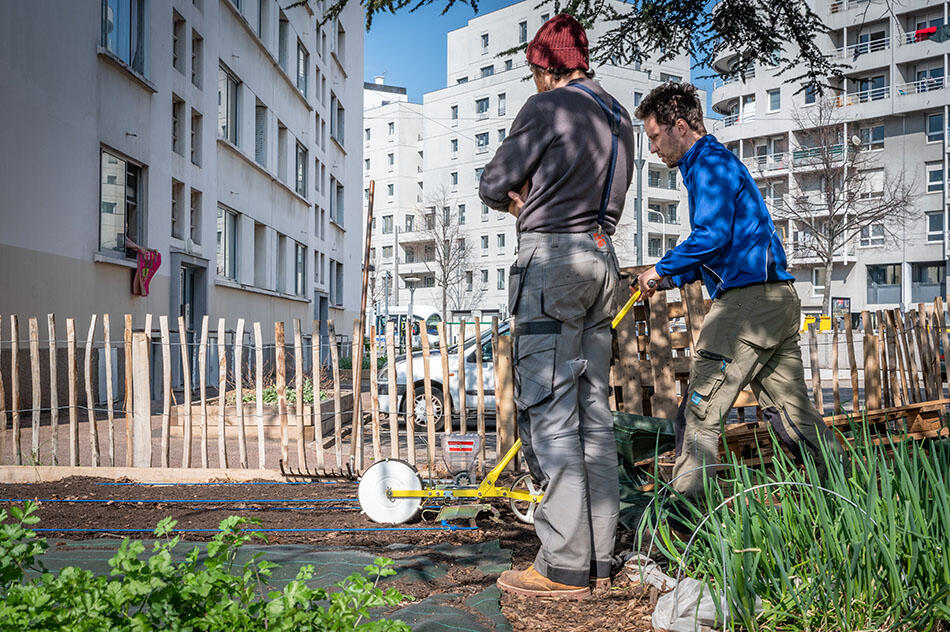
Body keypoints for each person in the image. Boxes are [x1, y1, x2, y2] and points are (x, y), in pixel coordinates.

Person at [478, 14, 635, 600]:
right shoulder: (621, 117)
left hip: (554, 263)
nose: (534, 81)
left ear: (546, 66)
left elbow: (495, 183)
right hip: (604, 260)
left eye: (533, 72)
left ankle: (562, 564)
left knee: (549, 413)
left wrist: (523, 203)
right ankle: (597, 558)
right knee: (594, 417)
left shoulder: (547, 108)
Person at [633, 82, 845, 502]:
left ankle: (687, 523)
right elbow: (723, 246)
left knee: (699, 413)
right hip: (776, 301)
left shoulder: (708, 162)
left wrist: (661, 266)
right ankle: (844, 495)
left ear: (679, 126)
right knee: (793, 416)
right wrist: (668, 278)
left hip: (747, 303)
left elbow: (710, 235)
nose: (653, 149)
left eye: (655, 137)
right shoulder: (710, 165)